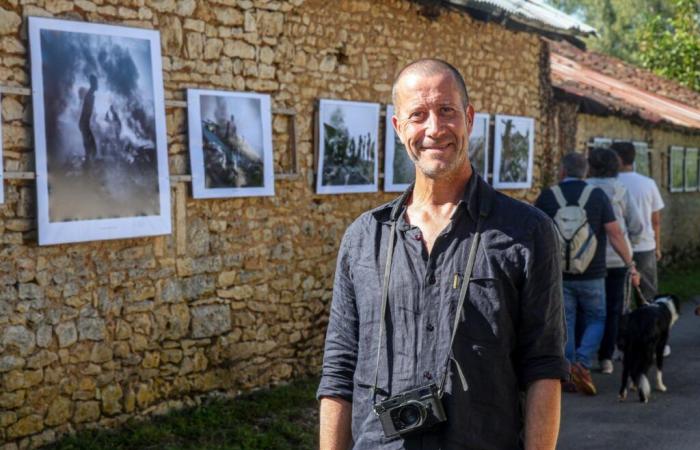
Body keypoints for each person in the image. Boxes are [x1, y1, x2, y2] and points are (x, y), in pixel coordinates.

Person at [318, 59, 569, 450]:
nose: (434, 129)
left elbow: (544, 367)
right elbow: (338, 372)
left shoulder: (527, 232)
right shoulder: (365, 238)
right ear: (399, 128)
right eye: (418, 115)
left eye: (446, 111)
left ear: (468, 117)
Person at [535, 152, 640, 396]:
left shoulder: (549, 196)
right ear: (586, 172)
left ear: (562, 171)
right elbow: (614, 233)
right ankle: (582, 363)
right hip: (593, 272)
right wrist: (630, 263)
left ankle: (569, 367)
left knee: (567, 320)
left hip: (560, 273)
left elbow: (536, 233)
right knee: (597, 317)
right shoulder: (597, 196)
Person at [586, 148, 643, 374]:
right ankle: (606, 357)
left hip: (588, 259)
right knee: (613, 309)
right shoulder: (621, 190)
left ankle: (582, 357)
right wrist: (631, 246)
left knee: (586, 309)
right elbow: (636, 224)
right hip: (618, 258)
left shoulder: (585, 189)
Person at [611, 141, 665, 302]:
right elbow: (656, 220)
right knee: (648, 294)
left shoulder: (610, 184)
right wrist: (658, 246)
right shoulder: (648, 183)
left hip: (618, 248)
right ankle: (651, 326)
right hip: (645, 245)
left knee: (620, 296)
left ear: (617, 159)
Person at [79, 74, 98, 167]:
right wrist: (85, 124)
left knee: (90, 144)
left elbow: (88, 112)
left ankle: (88, 163)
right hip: (84, 123)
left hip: (84, 123)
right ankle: (88, 165)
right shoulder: (90, 95)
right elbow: (86, 112)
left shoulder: (91, 95)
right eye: (96, 82)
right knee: (90, 145)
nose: (98, 85)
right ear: (93, 83)